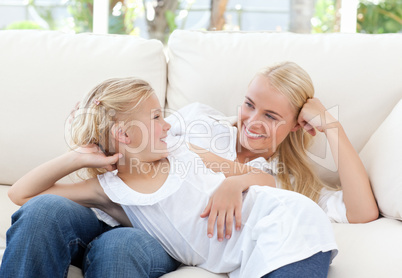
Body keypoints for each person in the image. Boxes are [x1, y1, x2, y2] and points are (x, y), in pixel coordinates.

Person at [2, 77, 337, 278]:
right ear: (125, 136)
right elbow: (23, 195)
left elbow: (266, 181)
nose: (168, 124)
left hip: (286, 223)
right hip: (251, 244)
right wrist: (74, 157)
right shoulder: (108, 189)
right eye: (157, 117)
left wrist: (234, 183)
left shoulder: (183, 150)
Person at [166, 61, 379, 241]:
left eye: (270, 116)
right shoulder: (198, 120)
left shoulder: (291, 183)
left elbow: (362, 212)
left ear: (296, 124)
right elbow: (144, 146)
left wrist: (333, 127)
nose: (252, 122)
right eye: (249, 105)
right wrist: (244, 177)